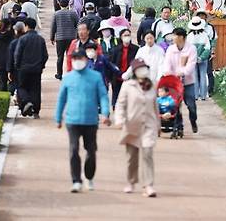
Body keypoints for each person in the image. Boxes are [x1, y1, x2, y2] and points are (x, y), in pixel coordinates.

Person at [55, 49, 111, 193]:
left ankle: (89, 177)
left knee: (91, 150)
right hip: (72, 120)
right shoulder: (68, 78)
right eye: (74, 59)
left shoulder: (96, 77)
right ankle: (76, 180)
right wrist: (58, 117)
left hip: (91, 120)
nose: (77, 61)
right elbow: (62, 98)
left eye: (80, 58)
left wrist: (105, 113)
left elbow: (103, 96)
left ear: (86, 60)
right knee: (73, 150)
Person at [114, 59, 159, 197]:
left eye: (144, 68)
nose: (143, 71)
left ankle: (148, 185)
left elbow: (155, 106)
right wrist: (120, 119)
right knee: (132, 157)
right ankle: (131, 181)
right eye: (140, 69)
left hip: (148, 125)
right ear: (134, 71)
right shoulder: (128, 86)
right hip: (132, 124)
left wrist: (158, 124)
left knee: (147, 153)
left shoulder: (152, 86)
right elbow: (120, 104)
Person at [162, 28, 198, 135]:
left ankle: (193, 120)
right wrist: (168, 73)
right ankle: (179, 126)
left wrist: (182, 72)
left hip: (188, 81)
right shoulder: (170, 49)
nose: (173, 38)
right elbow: (167, 63)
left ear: (181, 37)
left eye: (175, 36)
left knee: (191, 105)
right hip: (174, 82)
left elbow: (191, 65)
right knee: (176, 105)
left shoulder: (191, 49)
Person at [14, 18, 48, 118]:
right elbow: (45, 55)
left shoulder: (22, 39)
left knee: (21, 87)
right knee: (36, 89)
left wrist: (17, 65)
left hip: (24, 68)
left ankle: (27, 101)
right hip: (36, 69)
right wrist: (41, 65)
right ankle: (36, 111)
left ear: (27, 26)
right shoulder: (40, 39)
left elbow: (18, 54)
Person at [50, 0, 79, 80]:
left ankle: (59, 74)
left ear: (59, 3)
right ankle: (72, 72)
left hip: (60, 38)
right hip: (71, 38)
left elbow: (53, 27)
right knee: (71, 56)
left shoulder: (56, 14)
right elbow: (78, 24)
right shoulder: (73, 13)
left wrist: (52, 37)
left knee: (60, 57)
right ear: (68, 3)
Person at [109, 29, 139, 108]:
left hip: (130, 77)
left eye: (128, 35)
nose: (127, 37)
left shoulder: (136, 49)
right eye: (125, 35)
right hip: (117, 77)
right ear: (121, 37)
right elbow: (111, 63)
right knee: (116, 96)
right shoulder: (115, 49)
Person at [187, 17, 212, 101]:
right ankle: (203, 95)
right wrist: (201, 57)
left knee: (194, 76)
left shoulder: (189, 36)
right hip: (203, 58)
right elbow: (208, 48)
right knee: (203, 75)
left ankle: (195, 95)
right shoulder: (204, 35)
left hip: (192, 59)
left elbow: (188, 48)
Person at [0, 19, 15, 91]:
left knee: (2, 83)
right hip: (10, 61)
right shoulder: (12, 37)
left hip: (0, 62)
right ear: (9, 26)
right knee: (12, 81)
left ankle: (3, 97)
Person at [7, 21, 26, 95]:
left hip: (16, 67)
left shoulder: (14, 42)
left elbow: (10, 58)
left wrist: (9, 70)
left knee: (16, 85)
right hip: (26, 66)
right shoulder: (26, 40)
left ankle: (19, 98)